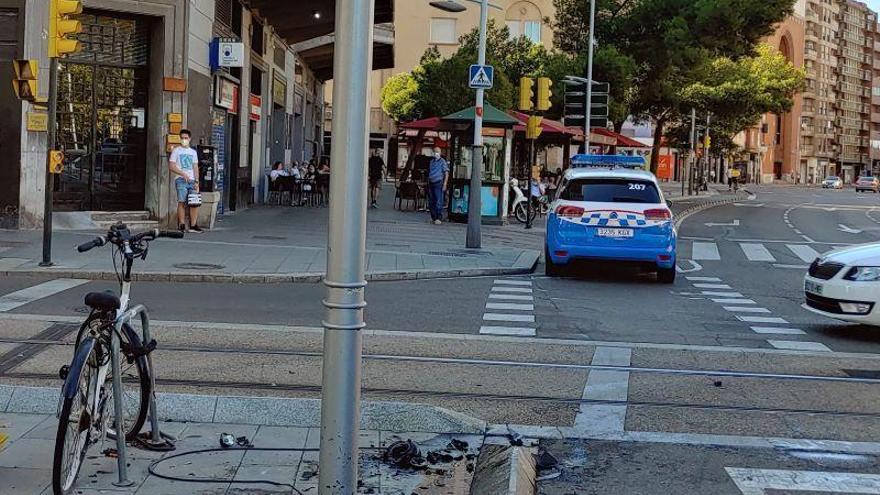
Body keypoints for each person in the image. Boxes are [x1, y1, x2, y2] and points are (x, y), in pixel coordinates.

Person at [168, 129, 202, 232]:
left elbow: (195, 167)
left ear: (190, 139)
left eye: (186, 138)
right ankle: (182, 224)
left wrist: (197, 181)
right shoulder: (176, 151)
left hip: (192, 180)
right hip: (181, 179)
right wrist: (182, 173)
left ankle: (193, 224)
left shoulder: (193, 152)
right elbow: (171, 166)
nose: (184, 140)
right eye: (182, 138)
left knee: (194, 202)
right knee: (182, 201)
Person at [427, 147, 449, 225]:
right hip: (431, 182)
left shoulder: (443, 162)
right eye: (435, 152)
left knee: (438, 200)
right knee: (431, 201)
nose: (436, 153)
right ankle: (433, 217)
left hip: (438, 182)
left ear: (440, 153)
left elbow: (446, 173)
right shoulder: (431, 162)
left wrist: (445, 184)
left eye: (438, 152)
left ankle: (438, 217)